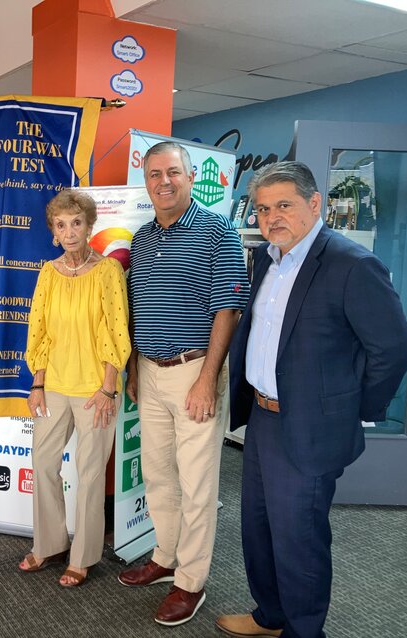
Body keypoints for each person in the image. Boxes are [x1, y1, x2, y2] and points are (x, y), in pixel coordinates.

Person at [216, 162, 407, 638]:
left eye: (283, 205)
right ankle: (271, 617)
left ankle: (306, 632)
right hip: (263, 419)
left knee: (298, 539)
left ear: (314, 203)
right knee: (258, 528)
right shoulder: (267, 257)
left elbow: (394, 347)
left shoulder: (351, 264)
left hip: (309, 426)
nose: (271, 217)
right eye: (263, 209)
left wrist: (354, 410)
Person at [118, 141, 249, 625]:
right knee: (158, 476)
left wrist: (207, 379)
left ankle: (190, 581)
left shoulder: (218, 232)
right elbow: (136, 311)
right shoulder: (143, 239)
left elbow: (228, 310)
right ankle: (164, 555)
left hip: (196, 371)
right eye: (154, 174)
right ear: (146, 180)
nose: (163, 182)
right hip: (149, 373)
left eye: (173, 172)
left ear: (191, 178)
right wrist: (133, 368)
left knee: (196, 485)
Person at [19, 190, 131, 587]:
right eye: (61, 225)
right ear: (53, 231)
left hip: (95, 392)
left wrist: (108, 389)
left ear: (89, 226)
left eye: (76, 223)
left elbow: (117, 332)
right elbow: (40, 332)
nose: (69, 232)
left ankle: (82, 556)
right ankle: (49, 544)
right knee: (43, 463)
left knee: (88, 473)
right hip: (53, 387)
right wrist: (37, 383)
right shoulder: (48, 273)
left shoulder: (107, 272)